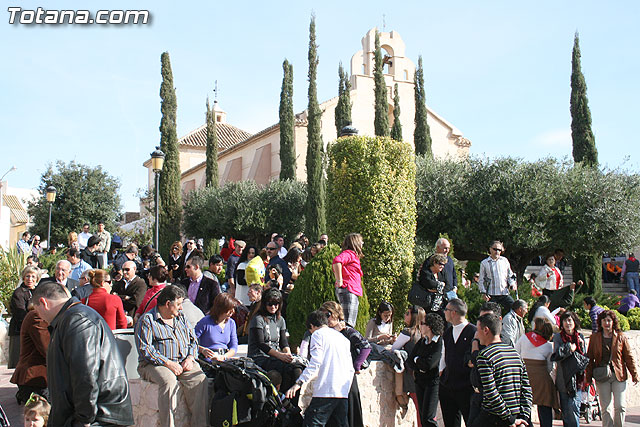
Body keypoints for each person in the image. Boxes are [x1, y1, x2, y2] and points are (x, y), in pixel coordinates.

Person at [32, 280, 134, 426]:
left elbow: (85, 373)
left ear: (44, 303)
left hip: (100, 416)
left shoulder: (77, 320)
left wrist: (84, 418)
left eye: (37, 311)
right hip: (92, 415)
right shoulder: (70, 319)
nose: (40, 318)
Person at [135, 285, 208, 427]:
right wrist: (168, 363)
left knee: (200, 379)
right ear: (168, 304)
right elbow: (145, 349)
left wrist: (190, 358)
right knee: (168, 381)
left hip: (182, 360)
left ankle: (200, 424)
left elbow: (193, 341)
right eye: (179, 304)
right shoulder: (148, 320)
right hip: (154, 364)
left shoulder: (181, 318)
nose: (181, 308)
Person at [285, 310, 354, 427]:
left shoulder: (317, 335)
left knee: (312, 423)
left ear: (311, 326)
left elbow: (315, 362)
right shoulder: (343, 339)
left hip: (325, 391)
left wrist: (298, 384)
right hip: (342, 392)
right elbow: (350, 368)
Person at [473, 313, 532, 427]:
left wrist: (509, 418)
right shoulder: (515, 354)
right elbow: (526, 389)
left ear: (486, 330)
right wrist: (523, 417)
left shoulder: (485, 356)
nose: (476, 334)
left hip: (493, 417)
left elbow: (491, 392)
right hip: (515, 414)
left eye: (477, 330)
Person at [319, 301, 371, 427]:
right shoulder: (324, 332)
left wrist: (356, 365)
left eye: (329, 314)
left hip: (346, 376)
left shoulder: (346, 331)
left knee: (350, 411)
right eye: (323, 315)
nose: (326, 318)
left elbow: (366, 347)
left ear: (336, 314)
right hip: (331, 377)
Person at [586, 310, 639, 427]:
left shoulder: (621, 337)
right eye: (604, 320)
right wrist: (588, 378)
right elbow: (589, 358)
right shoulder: (595, 338)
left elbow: (628, 357)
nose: (606, 323)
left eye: (609, 320)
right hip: (602, 375)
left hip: (618, 375)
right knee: (606, 408)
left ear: (613, 322)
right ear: (600, 322)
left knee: (620, 406)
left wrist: (634, 374)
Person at [247, 288, 302, 391]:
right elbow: (261, 344)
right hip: (259, 357)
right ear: (264, 303)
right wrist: (280, 356)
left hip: (276, 357)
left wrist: (288, 354)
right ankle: (283, 399)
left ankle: (291, 400)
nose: (273, 307)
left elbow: (283, 342)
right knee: (286, 368)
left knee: (296, 368)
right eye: (270, 304)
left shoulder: (280, 320)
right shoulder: (258, 319)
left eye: (276, 304)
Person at [438, 299, 476, 427]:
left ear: (454, 312)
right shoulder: (448, 332)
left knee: (471, 421)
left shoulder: (473, 332)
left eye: (447, 310)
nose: (445, 313)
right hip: (448, 385)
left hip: (466, 386)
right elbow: (444, 355)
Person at [515, 317, 558, 427]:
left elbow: (515, 354)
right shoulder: (548, 346)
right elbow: (550, 366)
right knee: (544, 405)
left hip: (524, 375)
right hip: (542, 378)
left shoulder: (524, 337)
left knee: (524, 404)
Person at [407, 313, 444, 427]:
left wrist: (418, 360)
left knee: (428, 417)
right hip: (420, 381)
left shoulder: (438, 343)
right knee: (423, 416)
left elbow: (430, 364)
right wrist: (420, 362)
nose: (420, 326)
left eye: (422, 324)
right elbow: (410, 361)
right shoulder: (422, 342)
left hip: (432, 382)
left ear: (430, 326)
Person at [551, 311, 587, 427]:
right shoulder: (558, 337)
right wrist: (569, 349)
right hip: (563, 378)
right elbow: (557, 356)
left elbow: (584, 359)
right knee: (566, 411)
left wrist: (580, 346)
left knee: (573, 408)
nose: (568, 323)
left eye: (570, 320)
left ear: (574, 322)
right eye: (565, 321)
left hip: (577, 379)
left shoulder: (580, 337)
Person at [391, 305, 425, 423]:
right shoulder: (424, 333)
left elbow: (394, 348)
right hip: (424, 375)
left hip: (412, 376)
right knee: (425, 410)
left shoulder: (408, 332)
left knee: (420, 411)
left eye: (407, 313)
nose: (405, 315)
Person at [10, 306, 50, 405]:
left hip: (39, 378)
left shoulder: (40, 315)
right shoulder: (38, 316)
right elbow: (48, 349)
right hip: (36, 378)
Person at [8, 266, 40, 369]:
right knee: (19, 361)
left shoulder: (39, 292)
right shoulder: (19, 293)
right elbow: (20, 313)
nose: (30, 279)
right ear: (23, 277)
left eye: (33, 276)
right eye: (27, 276)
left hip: (35, 329)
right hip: (19, 330)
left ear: (37, 279)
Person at [194, 292, 239, 362]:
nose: (232, 312)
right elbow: (192, 342)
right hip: (207, 360)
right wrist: (202, 350)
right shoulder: (205, 321)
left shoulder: (231, 323)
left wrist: (224, 357)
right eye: (229, 309)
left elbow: (234, 346)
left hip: (223, 359)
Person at [332, 233, 364, 327]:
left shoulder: (352, 255)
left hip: (350, 290)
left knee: (348, 321)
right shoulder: (349, 254)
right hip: (348, 289)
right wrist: (339, 280)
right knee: (347, 323)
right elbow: (337, 261)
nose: (362, 243)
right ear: (356, 242)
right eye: (361, 241)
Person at [478, 240, 517, 313]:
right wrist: (483, 293)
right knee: (491, 315)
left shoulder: (504, 261)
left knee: (514, 310)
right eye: (495, 249)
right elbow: (481, 280)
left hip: (504, 293)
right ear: (490, 249)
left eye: (499, 250)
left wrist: (512, 284)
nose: (497, 251)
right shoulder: (484, 263)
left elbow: (510, 275)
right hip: (491, 295)